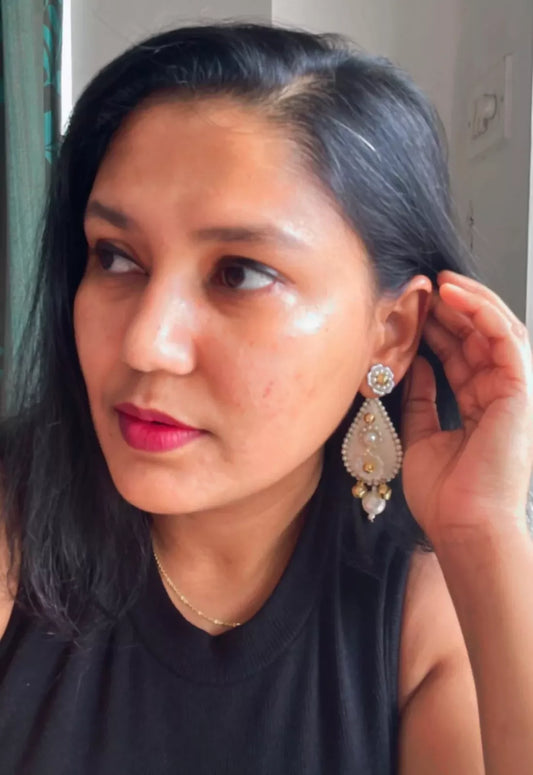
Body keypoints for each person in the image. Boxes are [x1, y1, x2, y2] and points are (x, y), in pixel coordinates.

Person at [0, 21, 532, 775]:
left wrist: (486, 535)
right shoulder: (17, 521)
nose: (145, 343)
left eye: (239, 273)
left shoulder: (423, 611)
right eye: (115, 257)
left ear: (389, 333)